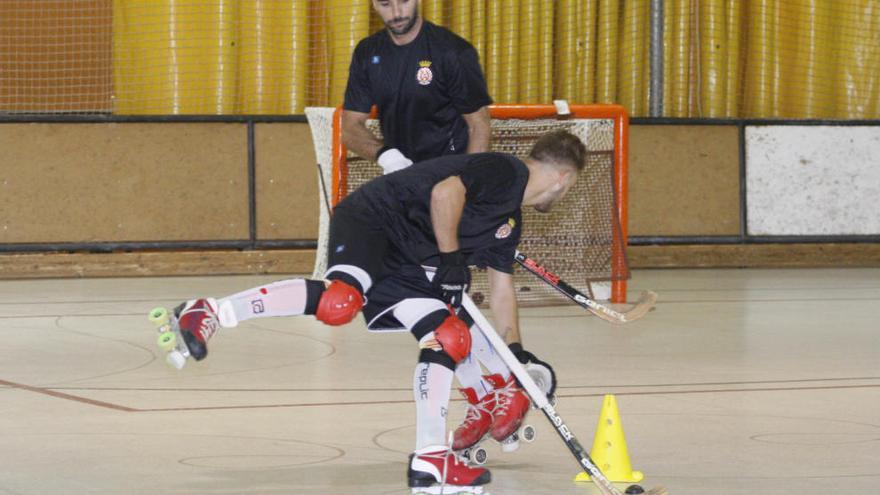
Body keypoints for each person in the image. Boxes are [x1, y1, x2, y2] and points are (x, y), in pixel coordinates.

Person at [171, 130, 586, 493]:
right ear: (564, 177)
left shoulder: (509, 222)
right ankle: (208, 310)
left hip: (406, 259)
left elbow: (501, 289)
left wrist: (516, 353)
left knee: (449, 336)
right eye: (570, 188)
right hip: (375, 220)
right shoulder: (506, 171)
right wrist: (451, 259)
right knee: (339, 302)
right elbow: (446, 193)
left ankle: (430, 457)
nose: (564, 195)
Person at [341, 0, 492, 174]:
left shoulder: (453, 51)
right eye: (385, 4)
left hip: (449, 175)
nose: (397, 13)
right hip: (400, 175)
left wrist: (465, 182)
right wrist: (387, 156)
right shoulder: (367, 52)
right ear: (374, 5)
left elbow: (479, 125)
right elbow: (350, 127)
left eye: (404, 1)